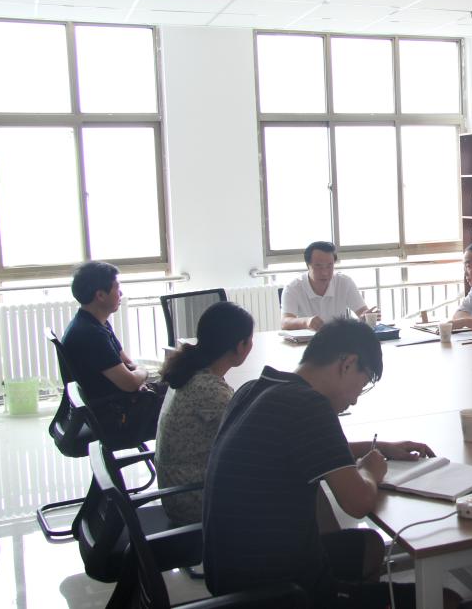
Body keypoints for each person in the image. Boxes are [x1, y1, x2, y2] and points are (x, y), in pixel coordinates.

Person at [202, 318, 445, 609]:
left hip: (230, 579)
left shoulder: (254, 389)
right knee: (447, 599)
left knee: (370, 546)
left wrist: (380, 447)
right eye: (363, 384)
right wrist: (370, 471)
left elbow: (308, 450)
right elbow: (358, 503)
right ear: (347, 364)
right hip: (282, 594)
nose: (355, 400)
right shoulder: (309, 405)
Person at [156, 301, 254, 525]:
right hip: (192, 500)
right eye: (250, 340)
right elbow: (252, 436)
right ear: (240, 346)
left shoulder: (191, 370)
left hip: (179, 489)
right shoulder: (208, 390)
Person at [62, 261, 164, 446]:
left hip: (116, 402)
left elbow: (126, 361)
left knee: (177, 386)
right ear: (100, 295)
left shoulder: (96, 323)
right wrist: (142, 372)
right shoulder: (90, 334)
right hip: (114, 415)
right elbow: (130, 382)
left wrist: (137, 377)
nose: (121, 293)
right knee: (186, 401)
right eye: (117, 288)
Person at [281, 241, 377, 332]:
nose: (325, 272)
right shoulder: (293, 288)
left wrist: (366, 317)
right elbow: (285, 322)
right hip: (308, 341)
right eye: (318, 266)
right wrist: (306, 322)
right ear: (308, 265)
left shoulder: (344, 282)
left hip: (338, 340)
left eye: (329, 266)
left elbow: (362, 312)